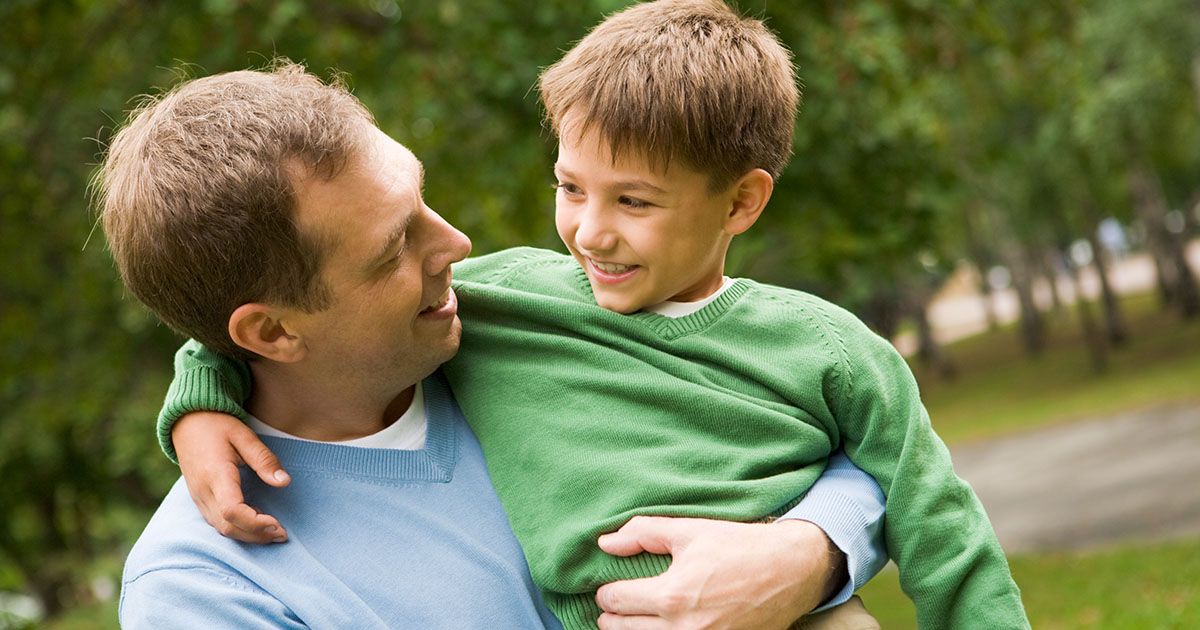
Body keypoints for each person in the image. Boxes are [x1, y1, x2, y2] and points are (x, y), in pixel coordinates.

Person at [154, 0, 1033, 628]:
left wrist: (812, 553)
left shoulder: (467, 320)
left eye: (635, 201)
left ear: (741, 203)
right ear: (269, 332)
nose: (456, 245)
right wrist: (199, 398)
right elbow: (222, 329)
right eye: (569, 188)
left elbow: (929, 510)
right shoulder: (202, 585)